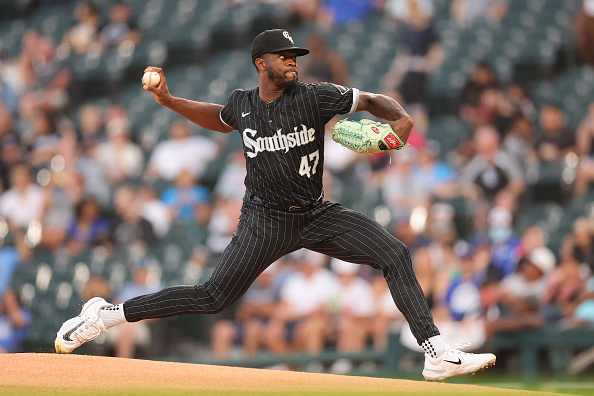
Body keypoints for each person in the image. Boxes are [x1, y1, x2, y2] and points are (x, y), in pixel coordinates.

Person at [55, 29, 495, 381]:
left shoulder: (314, 96)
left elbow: (372, 100)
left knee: (395, 253)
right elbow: (217, 117)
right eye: (284, 57)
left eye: (295, 57)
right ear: (259, 63)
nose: (292, 62)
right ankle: (107, 315)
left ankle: (436, 354)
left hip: (315, 213)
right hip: (263, 220)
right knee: (212, 298)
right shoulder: (243, 104)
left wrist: (401, 122)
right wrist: (169, 101)